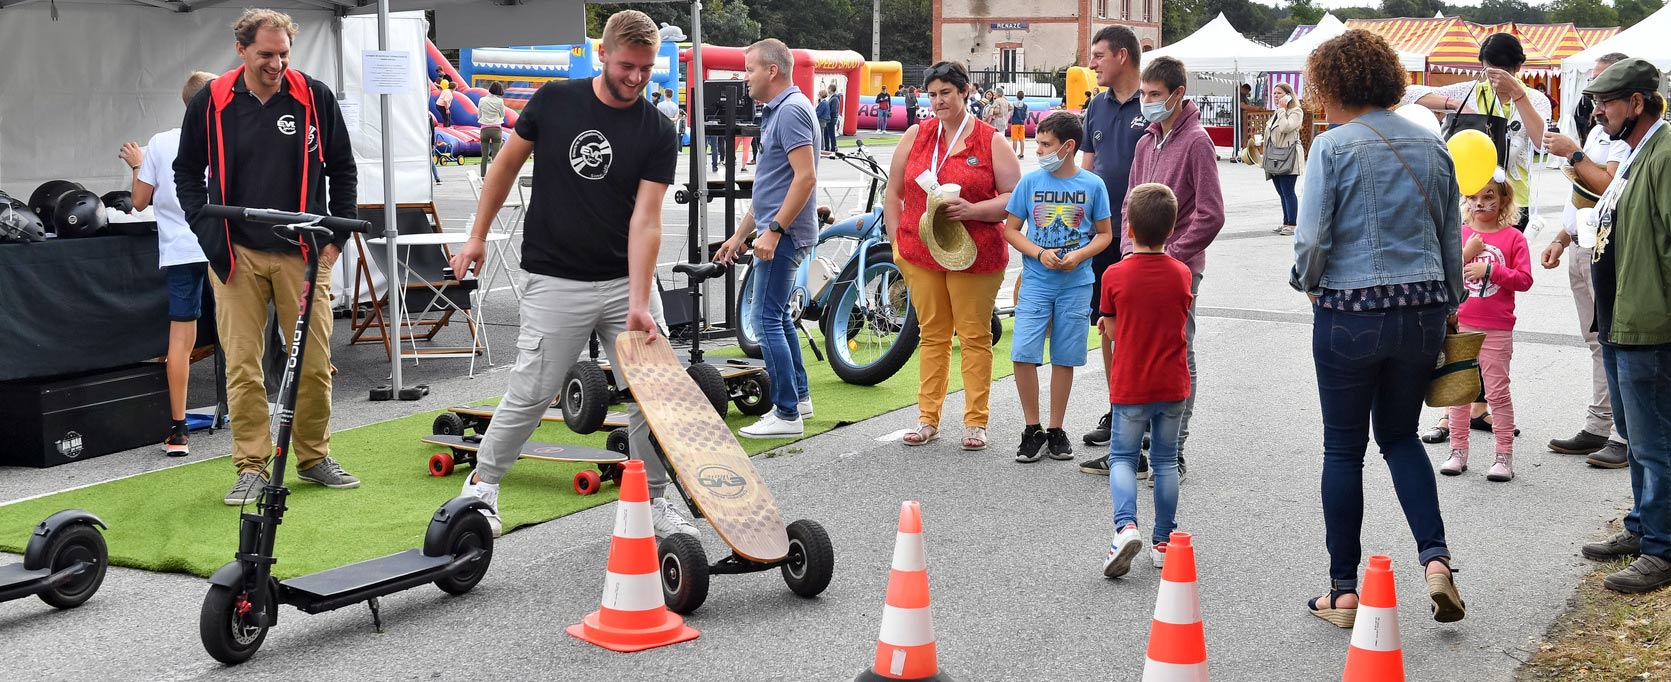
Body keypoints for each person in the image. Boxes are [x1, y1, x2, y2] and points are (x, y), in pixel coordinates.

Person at [447, 10, 692, 539]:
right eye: (627, 66)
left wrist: (641, 297)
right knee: (534, 389)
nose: (636, 78)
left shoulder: (657, 129)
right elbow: (504, 166)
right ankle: (482, 488)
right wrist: (476, 236)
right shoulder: (555, 102)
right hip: (556, 277)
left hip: (625, 281)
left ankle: (653, 500)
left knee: (656, 392)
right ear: (601, 54)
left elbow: (646, 219)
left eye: (647, 69)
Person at [1291, 30, 1466, 628]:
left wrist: (1308, 282)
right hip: (1420, 312)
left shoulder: (1332, 148)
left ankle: (1343, 592)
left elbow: (1312, 238)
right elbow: (1450, 239)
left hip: (1349, 312)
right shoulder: (1433, 147)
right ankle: (1436, 561)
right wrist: (1452, 304)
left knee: (1343, 447)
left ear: (1333, 84)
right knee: (1400, 437)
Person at [175, 8, 360, 504]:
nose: (276, 63)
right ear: (241, 50)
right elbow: (187, 172)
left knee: (315, 362)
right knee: (243, 364)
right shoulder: (212, 102)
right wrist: (206, 230)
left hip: (303, 253)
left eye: (283, 54)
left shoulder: (313, 96)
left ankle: (314, 456)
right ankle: (252, 465)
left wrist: (334, 240)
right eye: (266, 55)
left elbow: (342, 168)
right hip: (235, 254)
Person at [884, 62, 1020, 450]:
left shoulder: (990, 140)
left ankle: (976, 422)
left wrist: (973, 210)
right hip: (919, 251)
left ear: (965, 92)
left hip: (974, 253)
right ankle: (928, 418)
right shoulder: (916, 134)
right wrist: (897, 243)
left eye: (946, 92)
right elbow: (894, 193)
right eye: (933, 94)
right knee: (933, 335)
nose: (939, 101)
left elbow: (1015, 199)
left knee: (975, 336)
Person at [1576, 58, 1671, 594]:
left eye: (1606, 101)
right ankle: (1643, 528)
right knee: (1637, 439)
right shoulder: (1635, 153)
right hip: (1620, 319)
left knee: (1656, 442)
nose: (1597, 110)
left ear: (1637, 103)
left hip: (1649, 324)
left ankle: (1663, 548)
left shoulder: (1666, 152)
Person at [1119, 56, 1224, 480]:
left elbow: (1211, 213)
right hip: (1139, 264)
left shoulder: (1197, 141)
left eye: (1154, 95)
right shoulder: (1146, 141)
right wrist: (1131, 252)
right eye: (1143, 94)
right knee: (1140, 349)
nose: (1146, 101)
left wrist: (1172, 256)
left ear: (1178, 94)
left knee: (1179, 350)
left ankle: (1173, 448)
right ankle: (1139, 444)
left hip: (1179, 267)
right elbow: (1130, 201)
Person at [712, 38, 818, 439]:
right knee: (776, 316)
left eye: (750, 69)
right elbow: (772, 186)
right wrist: (739, 235)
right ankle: (800, 397)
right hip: (779, 231)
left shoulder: (790, 111)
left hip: (785, 234)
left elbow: (805, 177)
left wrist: (774, 231)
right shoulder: (782, 109)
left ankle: (787, 413)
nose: (745, 77)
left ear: (772, 71)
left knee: (765, 318)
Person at [1001, 112, 1113, 463]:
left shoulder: (1093, 185)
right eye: (1037, 143)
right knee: (1023, 352)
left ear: (1068, 147)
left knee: (1065, 355)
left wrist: (1079, 255)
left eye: (1046, 144)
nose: (1039, 150)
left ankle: (1055, 428)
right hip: (1036, 281)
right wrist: (1038, 252)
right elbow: (1011, 229)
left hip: (1076, 284)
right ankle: (1031, 427)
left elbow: (1105, 234)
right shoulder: (1029, 183)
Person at [118, 70, 217, 458]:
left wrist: (139, 165)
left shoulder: (161, 142)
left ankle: (178, 432)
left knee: (180, 341)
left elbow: (139, 201)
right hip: (224, 247)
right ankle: (253, 422)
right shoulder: (228, 137)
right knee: (242, 335)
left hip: (180, 250)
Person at [1539, 53, 1628, 468]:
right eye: (1593, 90)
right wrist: (1561, 235)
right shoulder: (1598, 130)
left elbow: (1606, 185)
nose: (1595, 102)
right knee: (1597, 343)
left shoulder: (1627, 137)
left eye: (1603, 92)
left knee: (1616, 343)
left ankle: (1623, 436)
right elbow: (1584, 194)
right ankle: (1600, 424)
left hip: (1607, 247)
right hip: (1581, 243)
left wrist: (1574, 153)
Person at [1099, 183, 1191, 577]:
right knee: (1165, 461)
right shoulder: (1182, 274)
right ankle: (1163, 542)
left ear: (1129, 229)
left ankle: (1126, 528)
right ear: (1171, 230)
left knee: (1122, 457)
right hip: (1172, 383)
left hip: (1132, 382)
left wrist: (1108, 325)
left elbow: (1116, 331)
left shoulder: (1115, 275)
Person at [1077, 26, 1151, 474]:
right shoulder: (1096, 106)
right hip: (1103, 234)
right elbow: (1086, 170)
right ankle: (1120, 409)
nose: (1093, 63)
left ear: (1123, 56)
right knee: (1108, 325)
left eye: (1100, 55)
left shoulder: (1155, 100)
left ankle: (1146, 424)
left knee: (1139, 334)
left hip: (1143, 236)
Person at [1405, 32, 1550, 232]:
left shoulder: (1536, 99)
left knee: (1510, 258)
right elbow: (1407, 94)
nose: (1496, 79)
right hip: (1470, 199)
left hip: (1514, 199)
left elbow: (1541, 143)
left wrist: (1517, 94)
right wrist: (1454, 104)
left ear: (1517, 67)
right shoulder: (1470, 92)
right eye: (1489, 71)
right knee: (1470, 259)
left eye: (1503, 72)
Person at [1441, 171, 1533, 481]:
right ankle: (1457, 450)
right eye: (1475, 197)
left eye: (1489, 196)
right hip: (1461, 323)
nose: (1481, 203)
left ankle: (1503, 455)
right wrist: (1466, 255)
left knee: (1497, 393)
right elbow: (1443, 275)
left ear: (1504, 199)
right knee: (1458, 392)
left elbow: (1524, 280)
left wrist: (1490, 270)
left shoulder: (1513, 238)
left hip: (1496, 327)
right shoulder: (1460, 234)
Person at [1265, 82, 1305, 236]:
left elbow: (1285, 127)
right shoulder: (1277, 112)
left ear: (1288, 95)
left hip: (1288, 156)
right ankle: (1285, 222)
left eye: (1279, 93)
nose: (1276, 97)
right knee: (1281, 192)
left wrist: (1282, 110)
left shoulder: (1296, 111)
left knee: (1288, 191)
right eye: (1274, 93)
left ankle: (1292, 224)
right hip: (1275, 156)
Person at [477, 81, 507, 179]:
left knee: (484, 155)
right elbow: (502, 114)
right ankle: (495, 177)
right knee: (496, 155)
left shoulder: (482, 100)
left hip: (484, 129)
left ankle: (483, 176)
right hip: (496, 129)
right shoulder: (500, 101)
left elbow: (479, 114)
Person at [1009, 92, 1030, 158]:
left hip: (1015, 123)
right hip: (1022, 123)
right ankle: (1021, 154)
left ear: (1016, 96)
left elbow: (1011, 114)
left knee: (1015, 139)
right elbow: (1027, 116)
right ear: (1023, 97)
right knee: (1022, 139)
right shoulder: (1025, 106)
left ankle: (1014, 154)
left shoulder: (1013, 104)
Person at [824, 83, 843, 154]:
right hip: (829, 119)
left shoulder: (834, 99)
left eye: (828, 88)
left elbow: (834, 110)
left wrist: (828, 116)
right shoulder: (833, 98)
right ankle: (827, 147)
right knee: (826, 133)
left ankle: (833, 148)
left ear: (830, 89)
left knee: (831, 134)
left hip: (831, 119)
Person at [816, 91, 834, 157]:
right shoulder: (825, 102)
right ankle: (822, 148)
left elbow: (819, 112)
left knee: (820, 135)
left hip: (821, 120)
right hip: (824, 120)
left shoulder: (823, 103)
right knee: (822, 134)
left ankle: (821, 149)